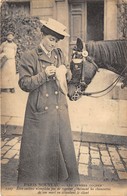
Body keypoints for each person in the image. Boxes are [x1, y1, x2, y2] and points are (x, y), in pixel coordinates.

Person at [18, 18, 79, 186]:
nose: (54, 43)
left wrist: (66, 71)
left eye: (57, 40)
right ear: (42, 35)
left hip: (59, 110)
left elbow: (69, 77)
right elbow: (24, 84)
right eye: (51, 39)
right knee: (40, 153)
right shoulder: (29, 56)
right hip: (40, 112)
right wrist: (44, 75)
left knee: (62, 150)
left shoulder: (60, 54)